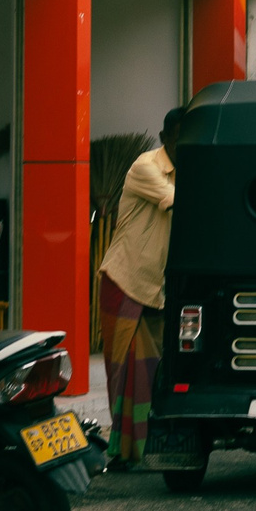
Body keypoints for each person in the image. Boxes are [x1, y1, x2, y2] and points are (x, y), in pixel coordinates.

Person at [96, 106, 182, 470]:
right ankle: (120, 451)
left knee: (149, 371)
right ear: (165, 139)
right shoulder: (145, 167)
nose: (186, 145)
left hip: (155, 287)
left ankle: (142, 448)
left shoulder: (185, 172)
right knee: (122, 372)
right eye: (180, 139)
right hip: (124, 279)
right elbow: (179, 202)